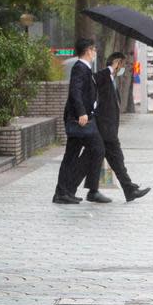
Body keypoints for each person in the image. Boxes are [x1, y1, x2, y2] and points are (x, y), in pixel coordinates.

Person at [52, 38, 111, 204]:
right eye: (94, 49)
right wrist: (81, 113)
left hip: (81, 119)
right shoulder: (79, 68)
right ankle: (88, 190)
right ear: (88, 50)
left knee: (71, 156)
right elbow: (75, 92)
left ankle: (64, 192)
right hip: (80, 120)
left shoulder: (85, 69)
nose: (95, 53)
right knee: (98, 148)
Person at [94, 52, 151, 202]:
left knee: (116, 161)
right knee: (108, 160)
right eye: (123, 64)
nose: (124, 68)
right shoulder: (105, 78)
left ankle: (129, 189)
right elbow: (95, 78)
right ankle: (68, 189)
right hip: (105, 130)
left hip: (109, 130)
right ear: (117, 63)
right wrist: (110, 68)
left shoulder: (113, 80)